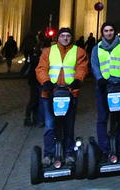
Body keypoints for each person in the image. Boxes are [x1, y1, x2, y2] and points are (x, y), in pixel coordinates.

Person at [36, 27, 88, 166]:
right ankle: (48, 154)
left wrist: (78, 80)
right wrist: (45, 81)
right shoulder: (48, 51)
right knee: (50, 124)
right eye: (62, 36)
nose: (65, 38)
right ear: (58, 38)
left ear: (72, 38)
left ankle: (69, 153)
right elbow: (41, 68)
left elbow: (81, 68)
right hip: (50, 93)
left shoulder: (79, 51)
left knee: (68, 125)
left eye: (68, 36)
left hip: (70, 93)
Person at [91, 22, 120, 159]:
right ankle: (104, 148)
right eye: (106, 30)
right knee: (102, 118)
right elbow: (94, 64)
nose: (109, 33)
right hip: (104, 87)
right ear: (102, 33)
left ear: (114, 32)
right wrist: (99, 78)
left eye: (111, 30)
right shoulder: (96, 48)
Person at [24, 40, 43, 126]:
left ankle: (34, 119)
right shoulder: (37, 57)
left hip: (35, 80)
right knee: (35, 100)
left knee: (36, 100)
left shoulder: (33, 56)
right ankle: (29, 118)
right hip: (36, 80)